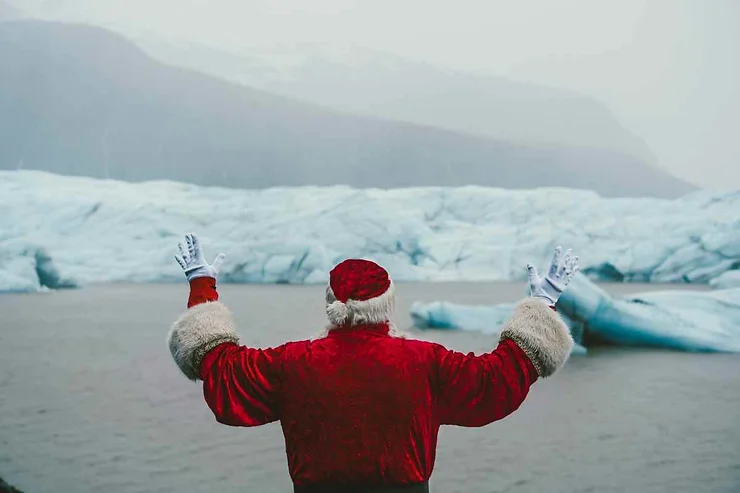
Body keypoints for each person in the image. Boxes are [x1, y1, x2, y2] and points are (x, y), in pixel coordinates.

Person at [169, 234, 579, 493]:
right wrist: (543, 302)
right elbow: (498, 378)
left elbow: (220, 367)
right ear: (387, 304)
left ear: (331, 302)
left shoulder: (293, 363)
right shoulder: (424, 363)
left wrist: (201, 285)